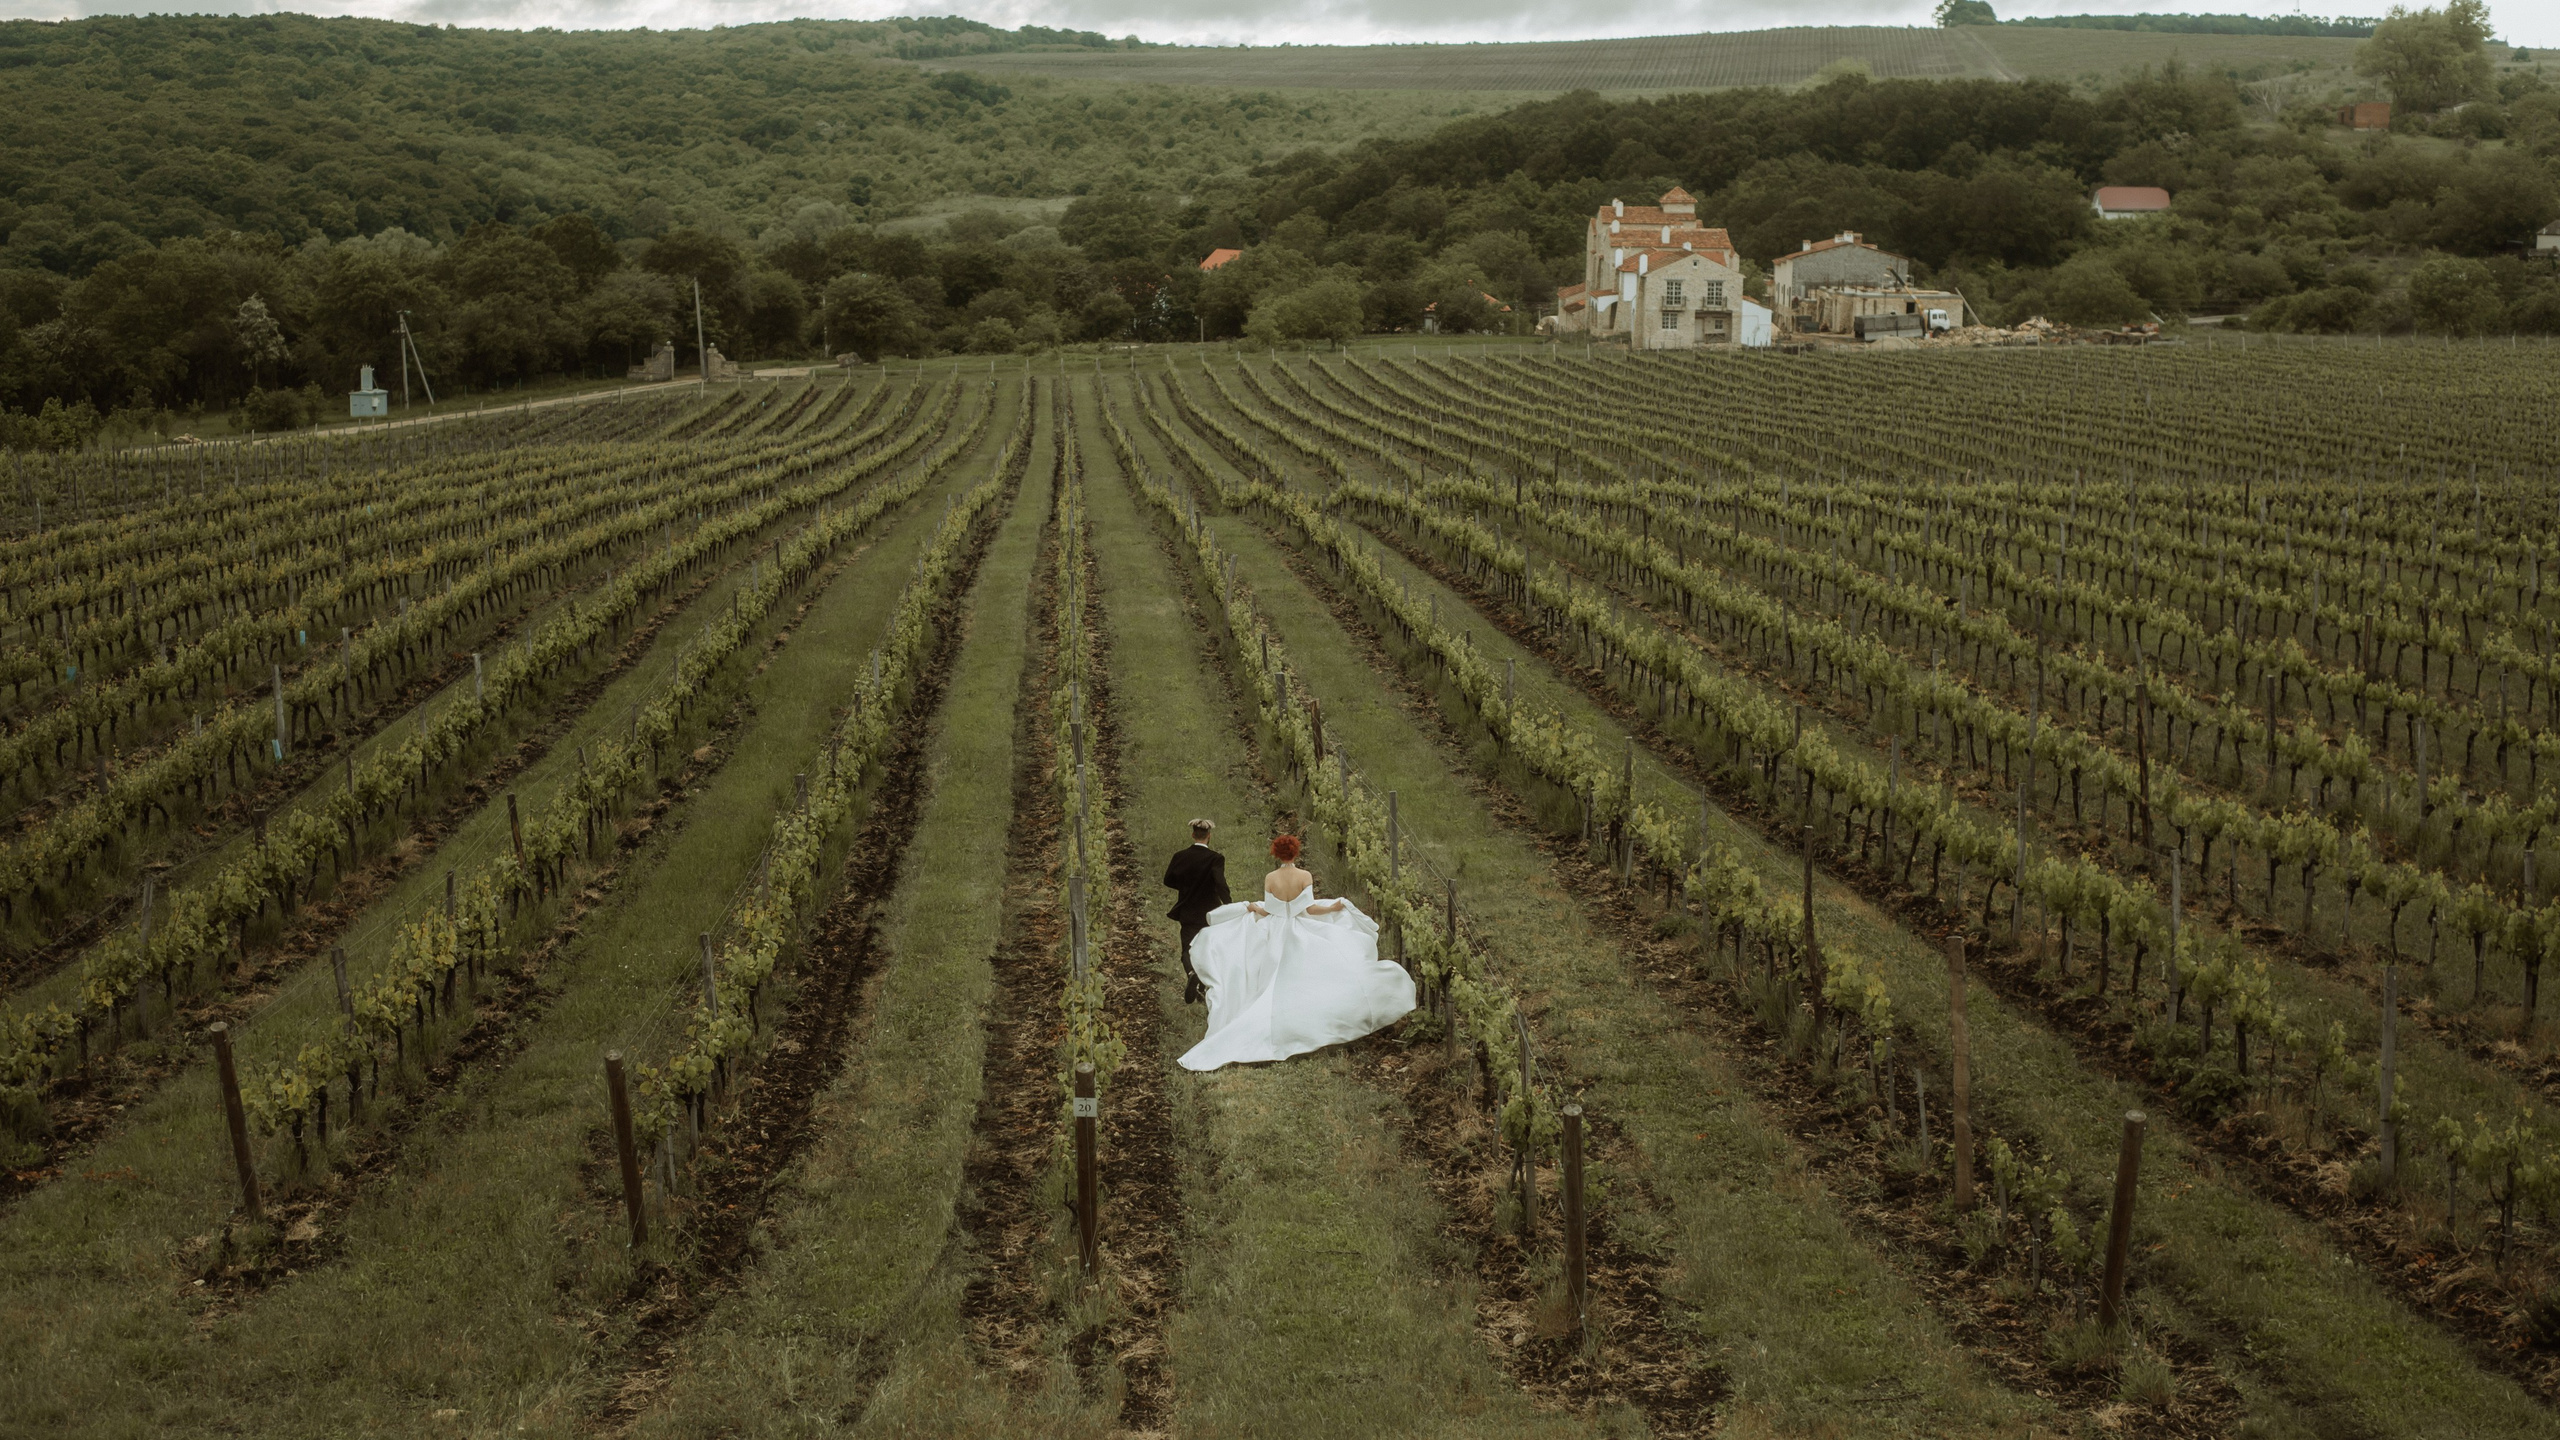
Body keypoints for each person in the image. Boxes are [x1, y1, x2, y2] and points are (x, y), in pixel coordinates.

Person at [1179, 834, 1415, 1071]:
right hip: (1299, 927)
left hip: (1276, 930)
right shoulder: (1304, 876)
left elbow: (1270, 911)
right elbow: (1310, 908)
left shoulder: (1271, 878)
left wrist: (1253, 908)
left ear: (1276, 853)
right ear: (1295, 852)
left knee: (1270, 979)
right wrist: (1333, 908)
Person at [1162, 818, 1230, 1004]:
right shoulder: (1215, 858)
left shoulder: (1180, 856)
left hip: (1188, 910)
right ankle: (1202, 987)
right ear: (1209, 836)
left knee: (1187, 948)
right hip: (1210, 912)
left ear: (1193, 834)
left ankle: (1191, 973)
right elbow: (1220, 883)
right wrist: (1229, 904)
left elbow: (1168, 880)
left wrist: (1185, 887)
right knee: (1208, 948)